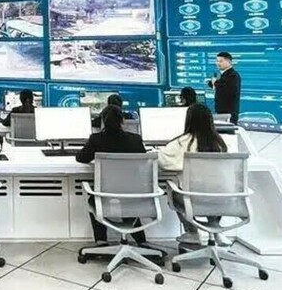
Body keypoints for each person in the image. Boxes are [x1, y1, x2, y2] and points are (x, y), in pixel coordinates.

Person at [76, 105, 148, 246]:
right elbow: (144, 161)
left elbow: (81, 158)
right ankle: (141, 241)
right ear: (122, 121)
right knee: (128, 200)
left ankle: (101, 240)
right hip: (133, 193)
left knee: (94, 199)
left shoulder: (96, 139)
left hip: (105, 194)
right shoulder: (135, 140)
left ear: (103, 121)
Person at [158, 103, 228, 245]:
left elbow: (162, 162)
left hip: (191, 199)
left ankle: (192, 232)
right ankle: (215, 230)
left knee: (173, 190)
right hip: (220, 199)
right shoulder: (221, 144)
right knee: (213, 189)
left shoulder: (180, 143)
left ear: (188, 120)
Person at [207, 51, 241, 124]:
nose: (218, 63)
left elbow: (228, 91)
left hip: (229, 113)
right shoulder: (224, 75)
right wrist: (212, 83)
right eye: (217, 61)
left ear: (229, 62)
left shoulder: (233, 75)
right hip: (222, 112)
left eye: (221, 61)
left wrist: (215, 83)